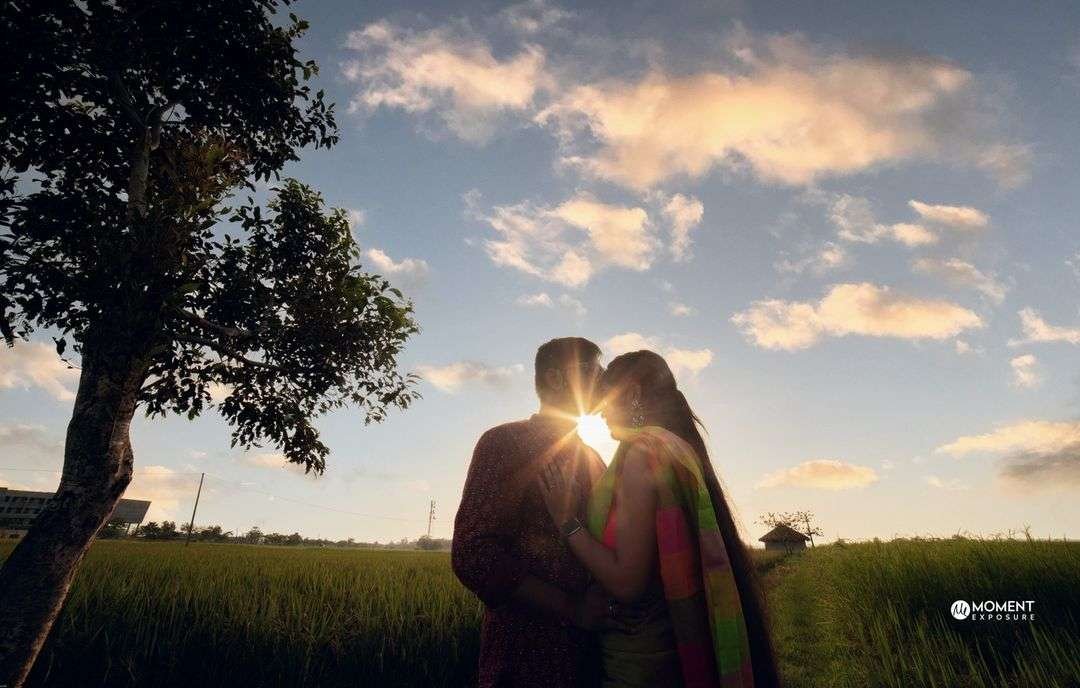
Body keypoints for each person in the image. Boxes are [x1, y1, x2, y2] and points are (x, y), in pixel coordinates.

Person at [537, 350, 782, 688]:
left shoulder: (641, 455)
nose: (601, 412)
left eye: (607, 399)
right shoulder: (677, 448)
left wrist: (567, 522)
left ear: (634, 394)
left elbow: (628, 583)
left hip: (640, 659)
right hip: (668, 648)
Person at [452, 337, 616, 688]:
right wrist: (572, 608)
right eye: (592, 370)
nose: (603, 379)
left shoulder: (594, 458)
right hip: (522, 660)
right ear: (556, 378)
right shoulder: (504, 443)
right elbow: (474, 554)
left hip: (590, 661)